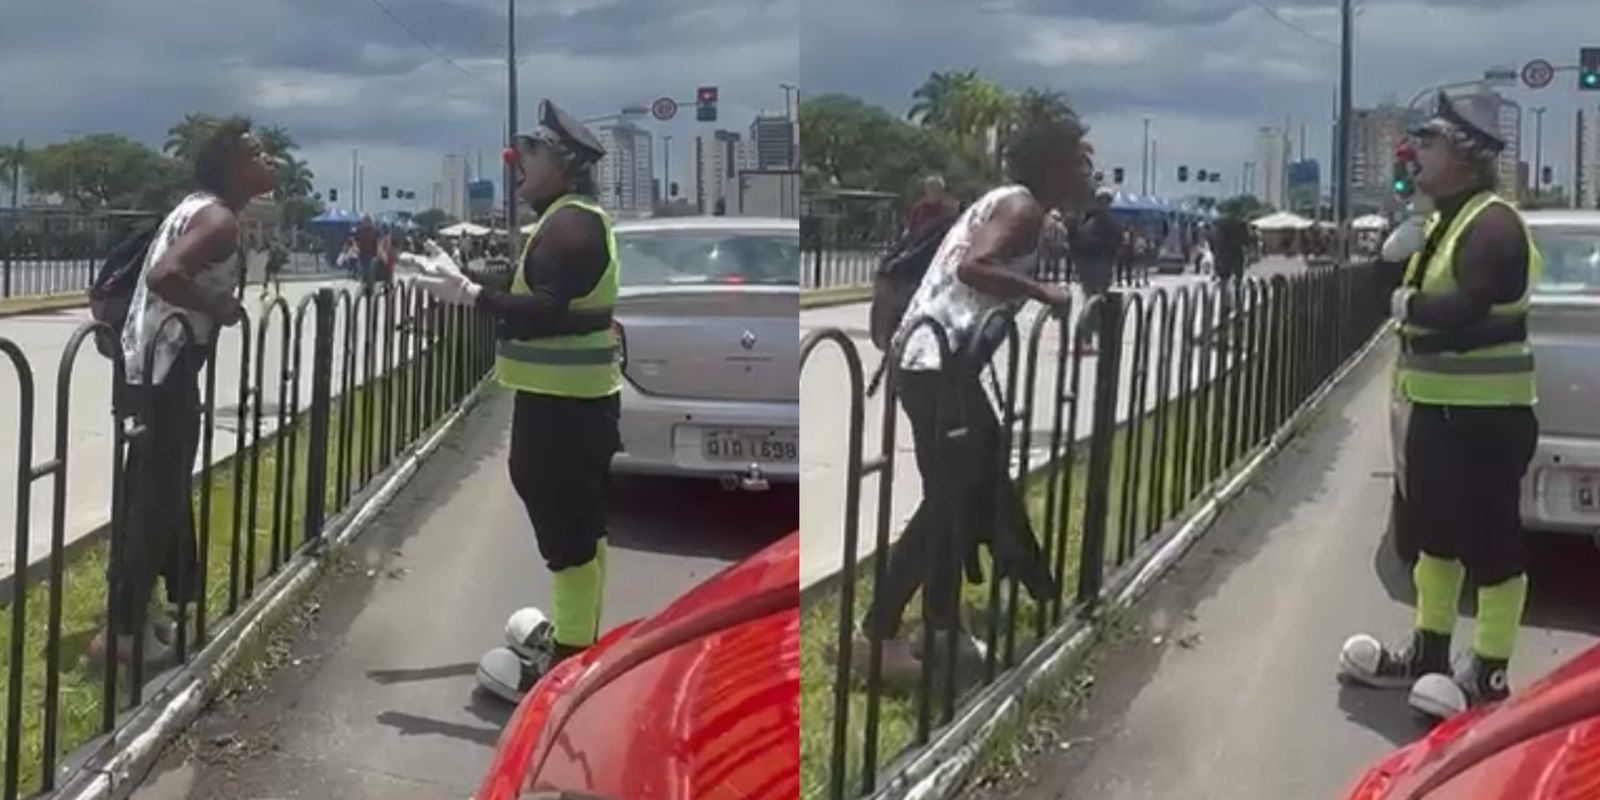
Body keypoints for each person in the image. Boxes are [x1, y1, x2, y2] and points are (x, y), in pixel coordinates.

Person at [402, 100, 620, 703]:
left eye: (530, 149)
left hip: (566, 405)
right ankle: (580, 638)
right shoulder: (564, 222)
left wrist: (471, 294)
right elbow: (539, 297)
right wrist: (465, 287)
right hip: (564, 400)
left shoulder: (571, 226)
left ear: (566, 165)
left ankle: (570, 661)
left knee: (567, 526)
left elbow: (546, 310)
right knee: (576, 520)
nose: (515, 159)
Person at [1339, 91, 1541, 720]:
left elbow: (1471, 306)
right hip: (1433, 410)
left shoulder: (1493, 223)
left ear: (1465, 155)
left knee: (1492, 543)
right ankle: (1427, 656)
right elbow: (1392, 290)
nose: (1413, 153)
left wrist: (1408, 309)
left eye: (1427, 142)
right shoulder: (1441, 223)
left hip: (1487, 418)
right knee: (1432, 539)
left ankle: (1489, 671)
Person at [858, 120, 1079, 682]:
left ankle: (940, 624)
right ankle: (877, 636)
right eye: (1078, 161)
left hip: (937, 364)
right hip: (937, 366)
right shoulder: (1022, 210)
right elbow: (972, 267)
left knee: (957, 496)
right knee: (951, 500)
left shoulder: (1010, 202)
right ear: (1053, 166)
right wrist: (1041, 292)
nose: (1085, 172)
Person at [91, 118, 273, 666]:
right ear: (233, 168)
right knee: (155, 502)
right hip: (165, 369)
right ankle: (122, 634)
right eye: (257, 153)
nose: (270, 161)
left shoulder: (199, 206)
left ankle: (139, 613)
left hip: (146, 366)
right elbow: (165, 273)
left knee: (149, 493)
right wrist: (219, 307)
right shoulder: (218, 220)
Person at [1069, 187, 1120, 354]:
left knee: (1095, 302)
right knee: (1093, 302)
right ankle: (1088, 337)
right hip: (1094, 265)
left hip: (1098, 264)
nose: (1104, 204)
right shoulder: (1090, 220)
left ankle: (1091, 336)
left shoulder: (1093, 220)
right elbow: (1077, 242)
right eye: (1103, 200)